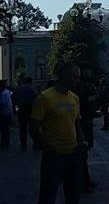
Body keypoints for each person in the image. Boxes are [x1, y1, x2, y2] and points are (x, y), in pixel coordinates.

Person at [33, 65, 85, 204]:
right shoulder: (45, 97)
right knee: (48, 195)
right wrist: (46, 147)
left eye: (79, 77)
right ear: (63, 77)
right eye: (75, 77)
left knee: (73, 195)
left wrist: (82, 141)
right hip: (54, 156)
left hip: (73, 154)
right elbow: (33, 127)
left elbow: (76, 123)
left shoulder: (74, 98)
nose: (78, 80)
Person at [74, 69, 98, 193]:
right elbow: (87, 103)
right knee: (82, 155)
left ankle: (86, 179)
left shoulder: (85, 86)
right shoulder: (81, 87)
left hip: (85, 123)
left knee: (84, 155)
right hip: (83, 124)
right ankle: (83, 181)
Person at [14, 77, 39, 149]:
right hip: (30, 110)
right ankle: (35, 143)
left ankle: (23, 143)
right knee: (33, 128)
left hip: (21, 110)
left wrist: (16, 109)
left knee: (22, 128)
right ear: (30, 82)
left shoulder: (18, 89)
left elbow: (14, 98)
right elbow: (36, 97)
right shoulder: (31, 89)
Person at [0, 81, 12, 147]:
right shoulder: (7, 92)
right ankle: (6, 141)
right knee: (6, 128)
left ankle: (4, 142)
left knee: (4, 128)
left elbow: (2, 103)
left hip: (4, 113)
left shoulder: (3, 93)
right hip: (7, 112)